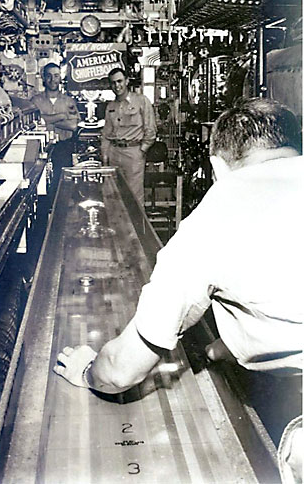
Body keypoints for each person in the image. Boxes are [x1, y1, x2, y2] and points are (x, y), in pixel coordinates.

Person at [55, 97, 303, 482]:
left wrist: (89, 371)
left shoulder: (216, 215)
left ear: (218, 164)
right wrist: (229, 347)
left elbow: (121, 372)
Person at [101, 68, 157, 205]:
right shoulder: (111, 106)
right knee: (113, 197)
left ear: (127, 81)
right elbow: (106, 134)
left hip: (133, 154)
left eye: (120, 81)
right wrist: (105, 156)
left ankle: (137, 227)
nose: (117, 86)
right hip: (114, 153)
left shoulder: (141, 101)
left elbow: (150, 129)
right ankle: (116, 227)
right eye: (113, 83)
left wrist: (141, 151)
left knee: (134, 198)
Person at [32, 62, 80, 203]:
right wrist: (60, 116)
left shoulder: (68, 101)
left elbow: (73, 125)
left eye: (56, 76)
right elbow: (32, 123)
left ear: (61, 78)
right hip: (40, 151)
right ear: (43, 78)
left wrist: (46, 120)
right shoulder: (35, 101)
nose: (53, 80)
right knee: (42, 192)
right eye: (49, 76)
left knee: (63, 190)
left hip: (63, 149)